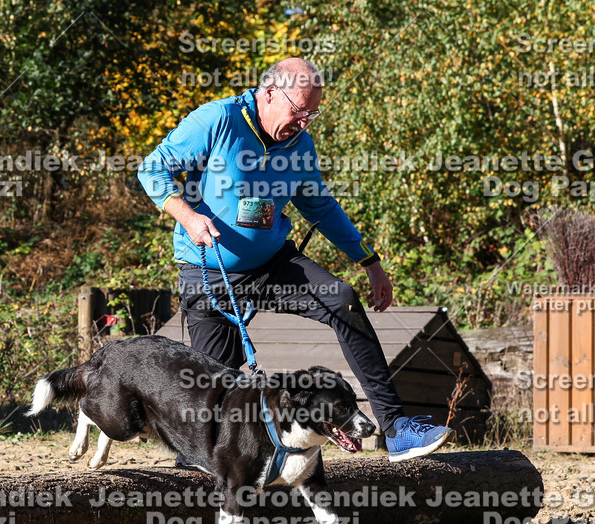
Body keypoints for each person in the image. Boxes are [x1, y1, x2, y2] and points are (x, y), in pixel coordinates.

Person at [137, 57, 453, 462]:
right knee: (216, 395)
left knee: (340, 299)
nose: (304, 122)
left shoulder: (299, 145)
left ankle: (397, 429)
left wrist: (369, 260)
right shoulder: (216, 120)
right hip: (209, 270)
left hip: (273, 266)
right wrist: (188, 216)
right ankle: (195, 471)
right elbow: (152, 169)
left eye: (312, 114)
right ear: (270, 93)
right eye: (299, 111)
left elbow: (320, 206)